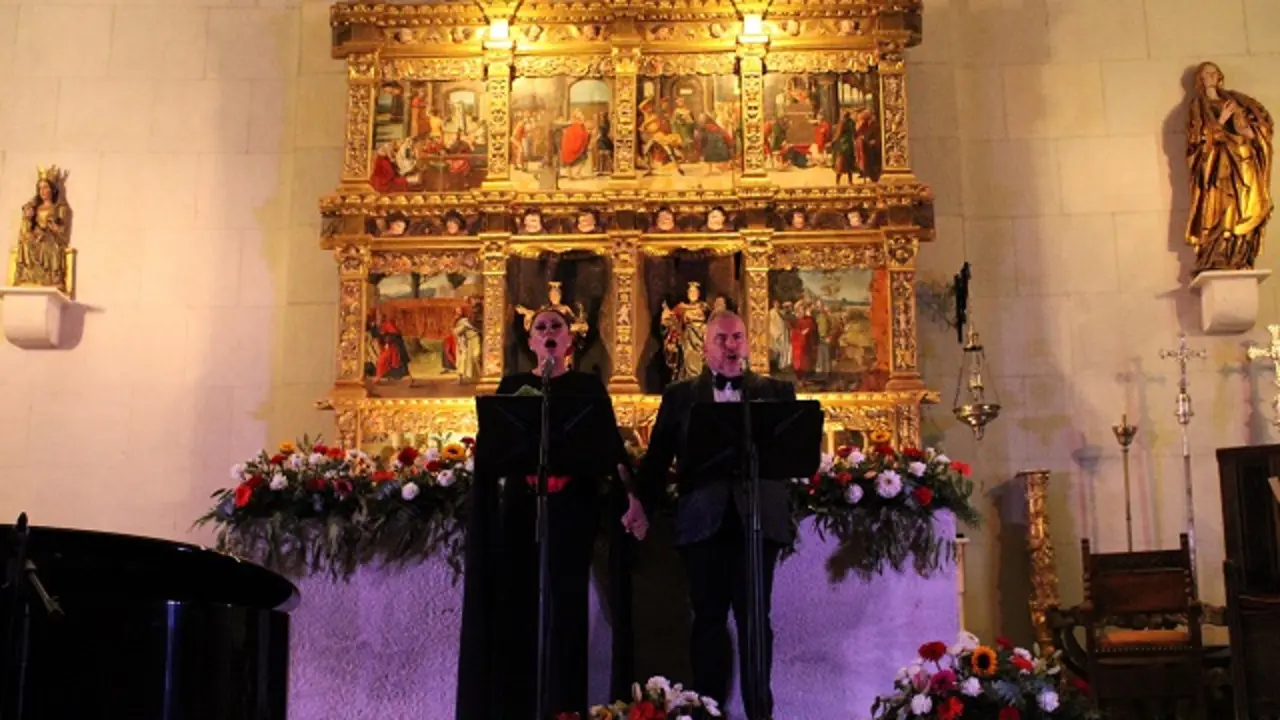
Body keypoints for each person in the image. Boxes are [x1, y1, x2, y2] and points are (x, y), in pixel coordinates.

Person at [456, 306, 649, 720]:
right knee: (517, 612)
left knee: (567, 611)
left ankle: (564, 710)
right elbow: (496, 451)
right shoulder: (514, 387)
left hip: (570, 513)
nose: (548, 332)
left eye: (555, 327)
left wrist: (632, 497)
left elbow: (611, 451)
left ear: (568, 340)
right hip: (522, 513)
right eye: (540, 327)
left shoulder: (586, 389)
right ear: (530, 342)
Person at [637, 310, 796, 720]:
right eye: (722, 339)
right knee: (707, 620)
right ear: (704, 346)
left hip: (758, 522)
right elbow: (657, 460)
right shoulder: (680, 395)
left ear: (748, 342)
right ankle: (708, 709)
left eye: (737, 337)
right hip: (703, 522)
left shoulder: (776, 392)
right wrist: (639, 507)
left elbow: (790, 457)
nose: (730, 346)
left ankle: (761, 711)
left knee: (755, 620)